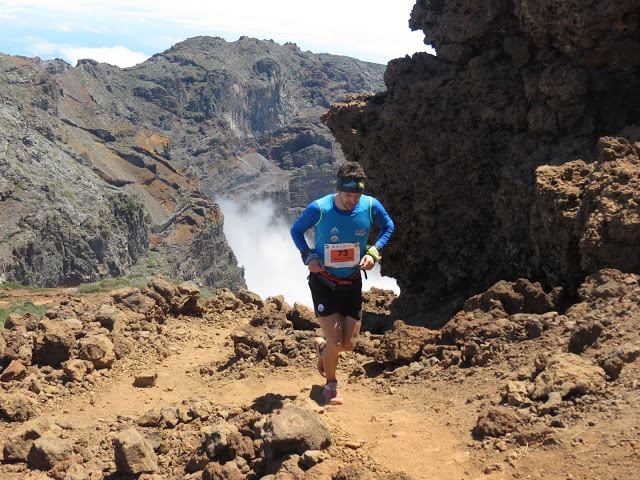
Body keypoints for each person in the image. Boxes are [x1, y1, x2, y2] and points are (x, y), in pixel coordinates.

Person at [290, 162, 394, 405]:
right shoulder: (320, 208)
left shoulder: (370, 206)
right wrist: (308, 255)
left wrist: (374, 251)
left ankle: (322, 348)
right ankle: (331, 385)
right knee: (336, 343)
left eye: (357, 195)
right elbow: (296, 230)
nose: (353, 201)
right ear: (338, 190)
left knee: (348, 344)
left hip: (352, 282)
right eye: (348, 195)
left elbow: (389, 227)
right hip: (323, 282)